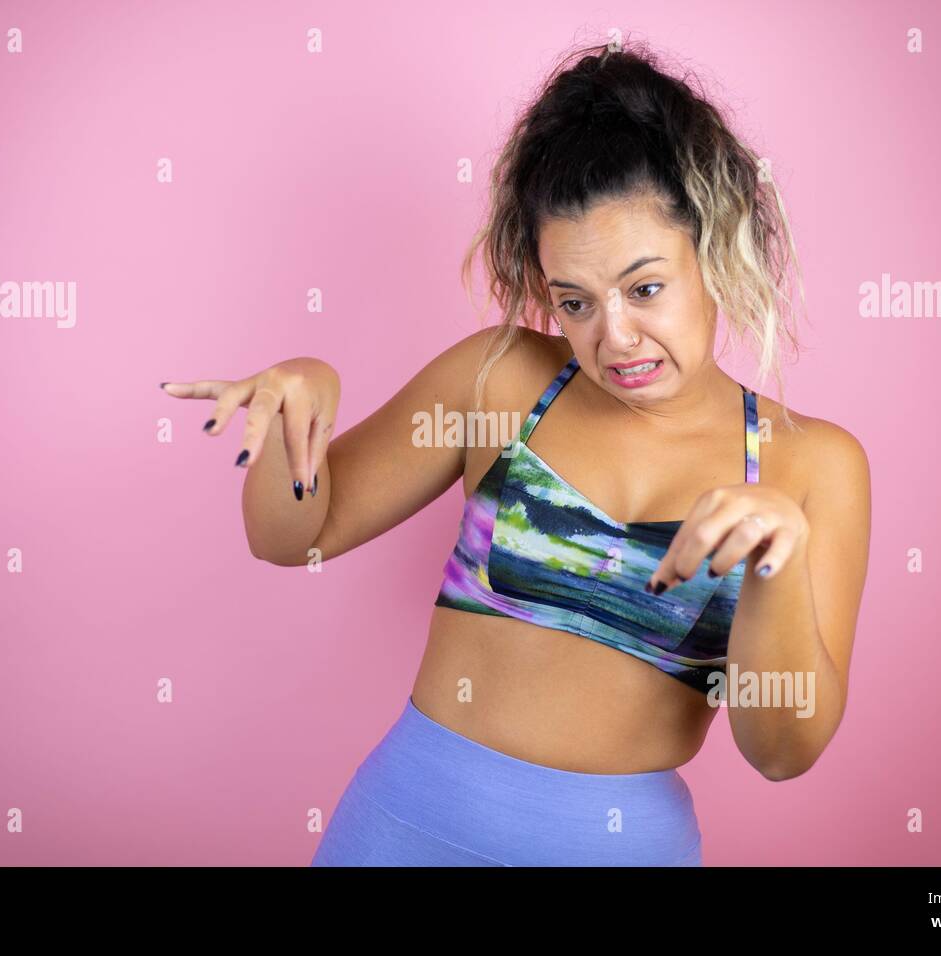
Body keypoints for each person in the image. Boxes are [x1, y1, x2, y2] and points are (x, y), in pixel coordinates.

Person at [161, 40, 871, 866]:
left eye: (646, 288)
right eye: (575, 301)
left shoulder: (810, 467)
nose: (615, 336)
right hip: (401, 831)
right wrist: (296, 423)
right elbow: (290, 540)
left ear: (716, 251)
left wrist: (775, 563)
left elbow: (782, 752)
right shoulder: (498, 380)